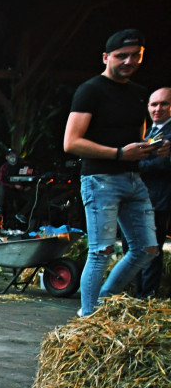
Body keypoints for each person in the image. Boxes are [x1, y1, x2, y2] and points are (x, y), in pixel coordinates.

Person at [63, 29, 165, 317]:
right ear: (106, 57)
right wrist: (119, 154)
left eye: (136, 56)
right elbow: (71, 142)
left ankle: (104, 301)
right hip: (100, 180)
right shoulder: (90, 90)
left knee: (147, 249)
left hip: (134, 179)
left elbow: (139, 139)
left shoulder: (139, 93)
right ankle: (87, 317)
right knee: (100, 252)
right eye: (122, 56)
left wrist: (152, 149)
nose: (129, 61)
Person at [137, 87, 171, 299]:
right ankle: (137, 294)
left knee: (150, 249)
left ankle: (146, 297)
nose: (158, 108)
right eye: (153, 104)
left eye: (164, 103)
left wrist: (132, 161)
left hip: (159, 199)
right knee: (138, 249)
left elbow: (163, 164)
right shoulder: (149, 133)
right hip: (141, 198)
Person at [0, 149, 34, 223]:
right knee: (1, 188)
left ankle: (21, 214)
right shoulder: (4, 167)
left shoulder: (24, 164)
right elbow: (1, 181)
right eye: (10, 155)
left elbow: (32, 176)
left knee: (34, 197)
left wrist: (29, 186)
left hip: (22, 191)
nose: (12, 157)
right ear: (6, 157)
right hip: (9, 191)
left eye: (13, 155)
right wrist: (14, 186)